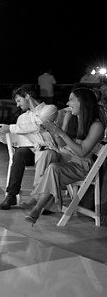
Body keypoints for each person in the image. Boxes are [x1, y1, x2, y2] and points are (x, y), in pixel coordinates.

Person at [25, 88, 105, 225]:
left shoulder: (96, 125)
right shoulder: (72, 118)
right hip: (65, 157)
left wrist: (62, 133)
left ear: (84, 102)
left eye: (72, 99)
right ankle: (37, 197)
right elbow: (62, 145)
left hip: (81, 165)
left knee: (53, 168)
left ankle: (37, 207)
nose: (68, 103)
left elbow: (82, 152)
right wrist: (54, 132)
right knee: (47, 154)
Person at [0, 86, 58, 210]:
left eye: (18, 101)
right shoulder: (22, 118)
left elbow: (39, 126)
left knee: (44, 153)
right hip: (29, 151)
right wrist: (1, 133)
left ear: (27, 96)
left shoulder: (50, 109)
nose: (17, 105)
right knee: (19, 154)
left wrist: (16, 129)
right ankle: (11, 195)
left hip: (47, 149)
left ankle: (42, 201)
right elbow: (17, 139)